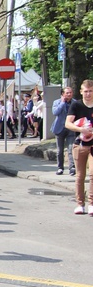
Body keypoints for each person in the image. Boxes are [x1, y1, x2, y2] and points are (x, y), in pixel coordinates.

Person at [65, 80, 93, 215]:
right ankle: (80, 204)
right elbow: (68, 124)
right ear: (81, 92)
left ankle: (92, 204)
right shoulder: (76, 105)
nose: (88, 94)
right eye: (85, 91)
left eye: (90, 91)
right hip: (79, 143)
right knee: (80, 175)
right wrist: (81, 129)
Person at [52, 86, 76, 176]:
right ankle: (60, 168)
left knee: (71, 149)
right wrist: (62, 103)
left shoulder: (75, 103)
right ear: (63, 94)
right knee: (59, 150)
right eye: (67, 93)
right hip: (59, 128)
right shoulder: (57, 102)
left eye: (70, 92)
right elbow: (55, 112)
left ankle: (72, 168)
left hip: (71, 128)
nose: (69, 94)